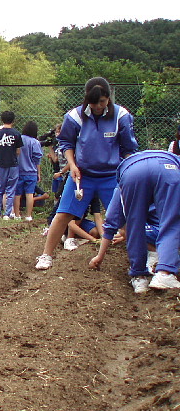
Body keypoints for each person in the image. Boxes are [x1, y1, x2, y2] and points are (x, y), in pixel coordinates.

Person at [36, 77, 139, 270]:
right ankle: (46, 255)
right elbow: (66, 143)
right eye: (93, 103)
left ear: (108, 98)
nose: (98, 107)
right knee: (63, 214)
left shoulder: (121, 116)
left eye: (102, 102)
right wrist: (72, 165)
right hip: (83, 176)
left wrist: (127, 173)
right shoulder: (74, 116)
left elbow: (129, 148)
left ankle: (138, 263)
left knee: (128, 217)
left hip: (112, 176)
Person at [89, 150, 180, 293]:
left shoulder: (124, 178)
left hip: (132, 171)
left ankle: (139, 278)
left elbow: (112, 221)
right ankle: (165, 273)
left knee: (134, 225)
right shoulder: (173, 160)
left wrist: (100, 256)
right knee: (171, 223)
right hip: (168, 167)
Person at [0, 111, 22, 220]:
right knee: (11, 189)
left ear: (2, 120)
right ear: (13, 121)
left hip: (1, 164)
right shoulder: (16, 134)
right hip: (13, 164)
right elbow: (18, 151)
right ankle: (7, 214)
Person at [13, 120, 42, 221]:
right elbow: (37, 158)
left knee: (17, 193)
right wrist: (38, 172)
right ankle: (28, 215)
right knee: (30, 194)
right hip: (31, 172)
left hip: (18, 171)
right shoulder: (35, 142)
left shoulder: (18, 139)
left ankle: (17, 214)